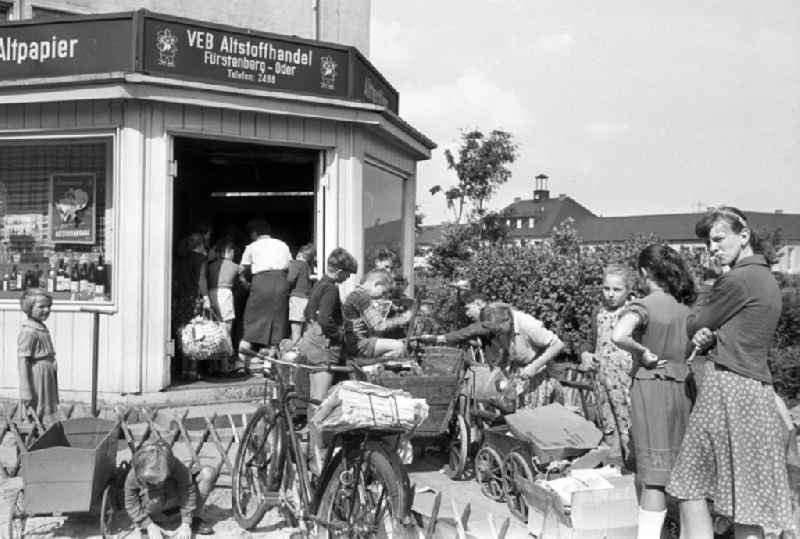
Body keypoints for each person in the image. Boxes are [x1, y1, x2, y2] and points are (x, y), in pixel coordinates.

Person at [667, 207, 792, 539]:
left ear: (745, 236)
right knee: (746, 502)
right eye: (710, 242)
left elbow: (694, 321)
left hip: (728, 389)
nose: (713, 249)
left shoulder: (736, 279)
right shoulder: (766, 278)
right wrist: (713, 339)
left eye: (719, 239)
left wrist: (704, 325)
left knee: (690, 485)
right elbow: (739, 334)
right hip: (756, 389)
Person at [610, 244, 696, 539]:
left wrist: (643, 351)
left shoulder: (644, 305)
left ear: (645, 272)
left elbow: (618, 334)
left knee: (654, 478)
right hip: (683, 387)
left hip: (651, 387)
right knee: (684, 473)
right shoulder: (686, 306)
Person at [422, 297, 565, 410]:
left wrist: (533, 367)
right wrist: (501, 366)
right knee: (516, 413)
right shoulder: (499, 328)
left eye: (497, 330)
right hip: (520, 373)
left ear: (507, 319)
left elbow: (558, 344)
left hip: (540, 375)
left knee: (532, 418)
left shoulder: (527, 324)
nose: (496, 333)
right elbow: (507, 349)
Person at [297, 247, 358, 474]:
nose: (348, 278)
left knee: (314, 405)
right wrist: (340, 334)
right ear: (340, 271)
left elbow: (308, 313)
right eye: (348, 273)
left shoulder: (320, 284)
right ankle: (318, 458)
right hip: (324, 349)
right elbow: (324, 319)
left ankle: (313, 453)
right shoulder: (331, 289)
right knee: (321, 405)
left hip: (311, 345)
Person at [579, 264, 635, 461]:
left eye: (617, 290)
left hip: (626, 383)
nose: (610, 294)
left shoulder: (634, 312)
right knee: (608, 424)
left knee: (628, 425)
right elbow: (588, 339)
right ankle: (614, 465)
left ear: (628, 290)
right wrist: (585, 353)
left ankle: (632, 468)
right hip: (602, 381)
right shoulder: (598, 312)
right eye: (606, 288)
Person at [124, 440, 216, 538]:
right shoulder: (134, 474)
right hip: (154, 512)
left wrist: (186, 522)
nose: (156, 484)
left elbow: (188, 489)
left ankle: (194, 520)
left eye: (159, 480)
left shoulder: (173, 464)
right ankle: (148, 528)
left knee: (207, 474)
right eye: (150, 482)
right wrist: (148, 525)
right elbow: (131, 503)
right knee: (153, 495)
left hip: (177, 506)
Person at [237, 219, 292, 373]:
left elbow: (241, 270)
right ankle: (269, 365)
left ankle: (245, 361)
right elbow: (290, 266)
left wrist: (244, 283)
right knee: (277, 323)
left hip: (261, 284)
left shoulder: (252, 247)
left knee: (252, 321)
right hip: (281, 283)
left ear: (254, 233)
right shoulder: (283, 245)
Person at [342, 269, 412, 360]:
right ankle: (373, 367)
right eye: (384, 292)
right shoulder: (362, 297)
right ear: (377, 284)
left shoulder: (354, 294)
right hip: (358, 344)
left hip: (354, 342)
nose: (384, 296)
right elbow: (379, 326)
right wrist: (403, 319)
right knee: (399, 347)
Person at [17, 288, 62, 427]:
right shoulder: (29, 331)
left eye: (49, 306)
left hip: (47, 375)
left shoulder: (41, 327)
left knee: (49, 407)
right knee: (37, 407)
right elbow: (22, 360)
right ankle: (35, 434)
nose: (46, 310)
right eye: (41, 306)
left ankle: (47, 431)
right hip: (37, 375)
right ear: (29, 308)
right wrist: (25, 389)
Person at [173, 232, 211, 381]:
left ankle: (184, 370)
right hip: (194, 299)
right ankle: (193, 371)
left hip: (180, 300)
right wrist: (206, 298)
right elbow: (201, 280)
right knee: (196, 335)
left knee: (184, 335)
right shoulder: (200, 259)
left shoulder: (181, 259)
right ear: (201, 245)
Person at [207, 238, 240, 374]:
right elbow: (241, 280)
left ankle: (213, 365)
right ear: (230, 251)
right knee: (226, 329)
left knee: (213, 330)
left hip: (211, 294)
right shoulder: (234, 266)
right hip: (225, 294)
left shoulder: (210, 265)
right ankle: (225, 366)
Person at [288, 243, 315, 345]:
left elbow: (290, 279)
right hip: (307, 299)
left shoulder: (297, 263)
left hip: (297, 298)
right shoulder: (308, 267)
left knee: (296, 331)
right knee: (306, 330)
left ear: (299, 253)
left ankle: (295, 354)